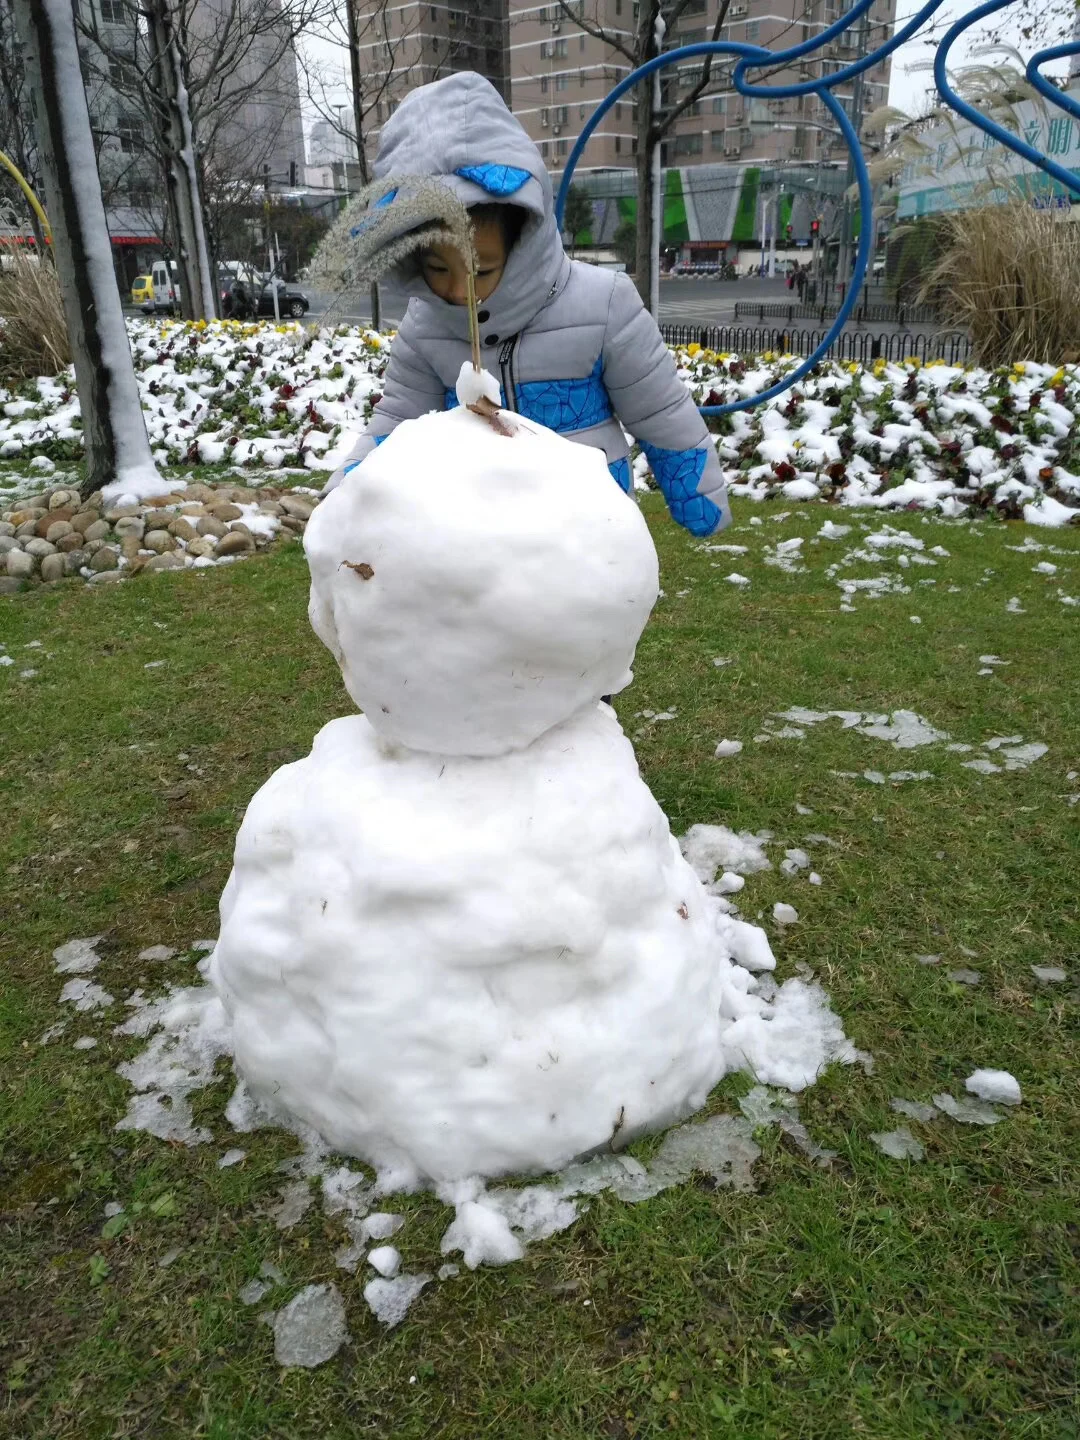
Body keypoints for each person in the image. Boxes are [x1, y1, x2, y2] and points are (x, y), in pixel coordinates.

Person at [324, 72, 730, 537]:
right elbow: (395, 421)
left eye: (481, 271)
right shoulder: (425, 327)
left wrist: (695, 491)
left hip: (592, 530)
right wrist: (345, 497)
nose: (459, 292)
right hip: (479, 535)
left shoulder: (604, 305)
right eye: (438, 269)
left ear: (523, 242)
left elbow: (659, 411)